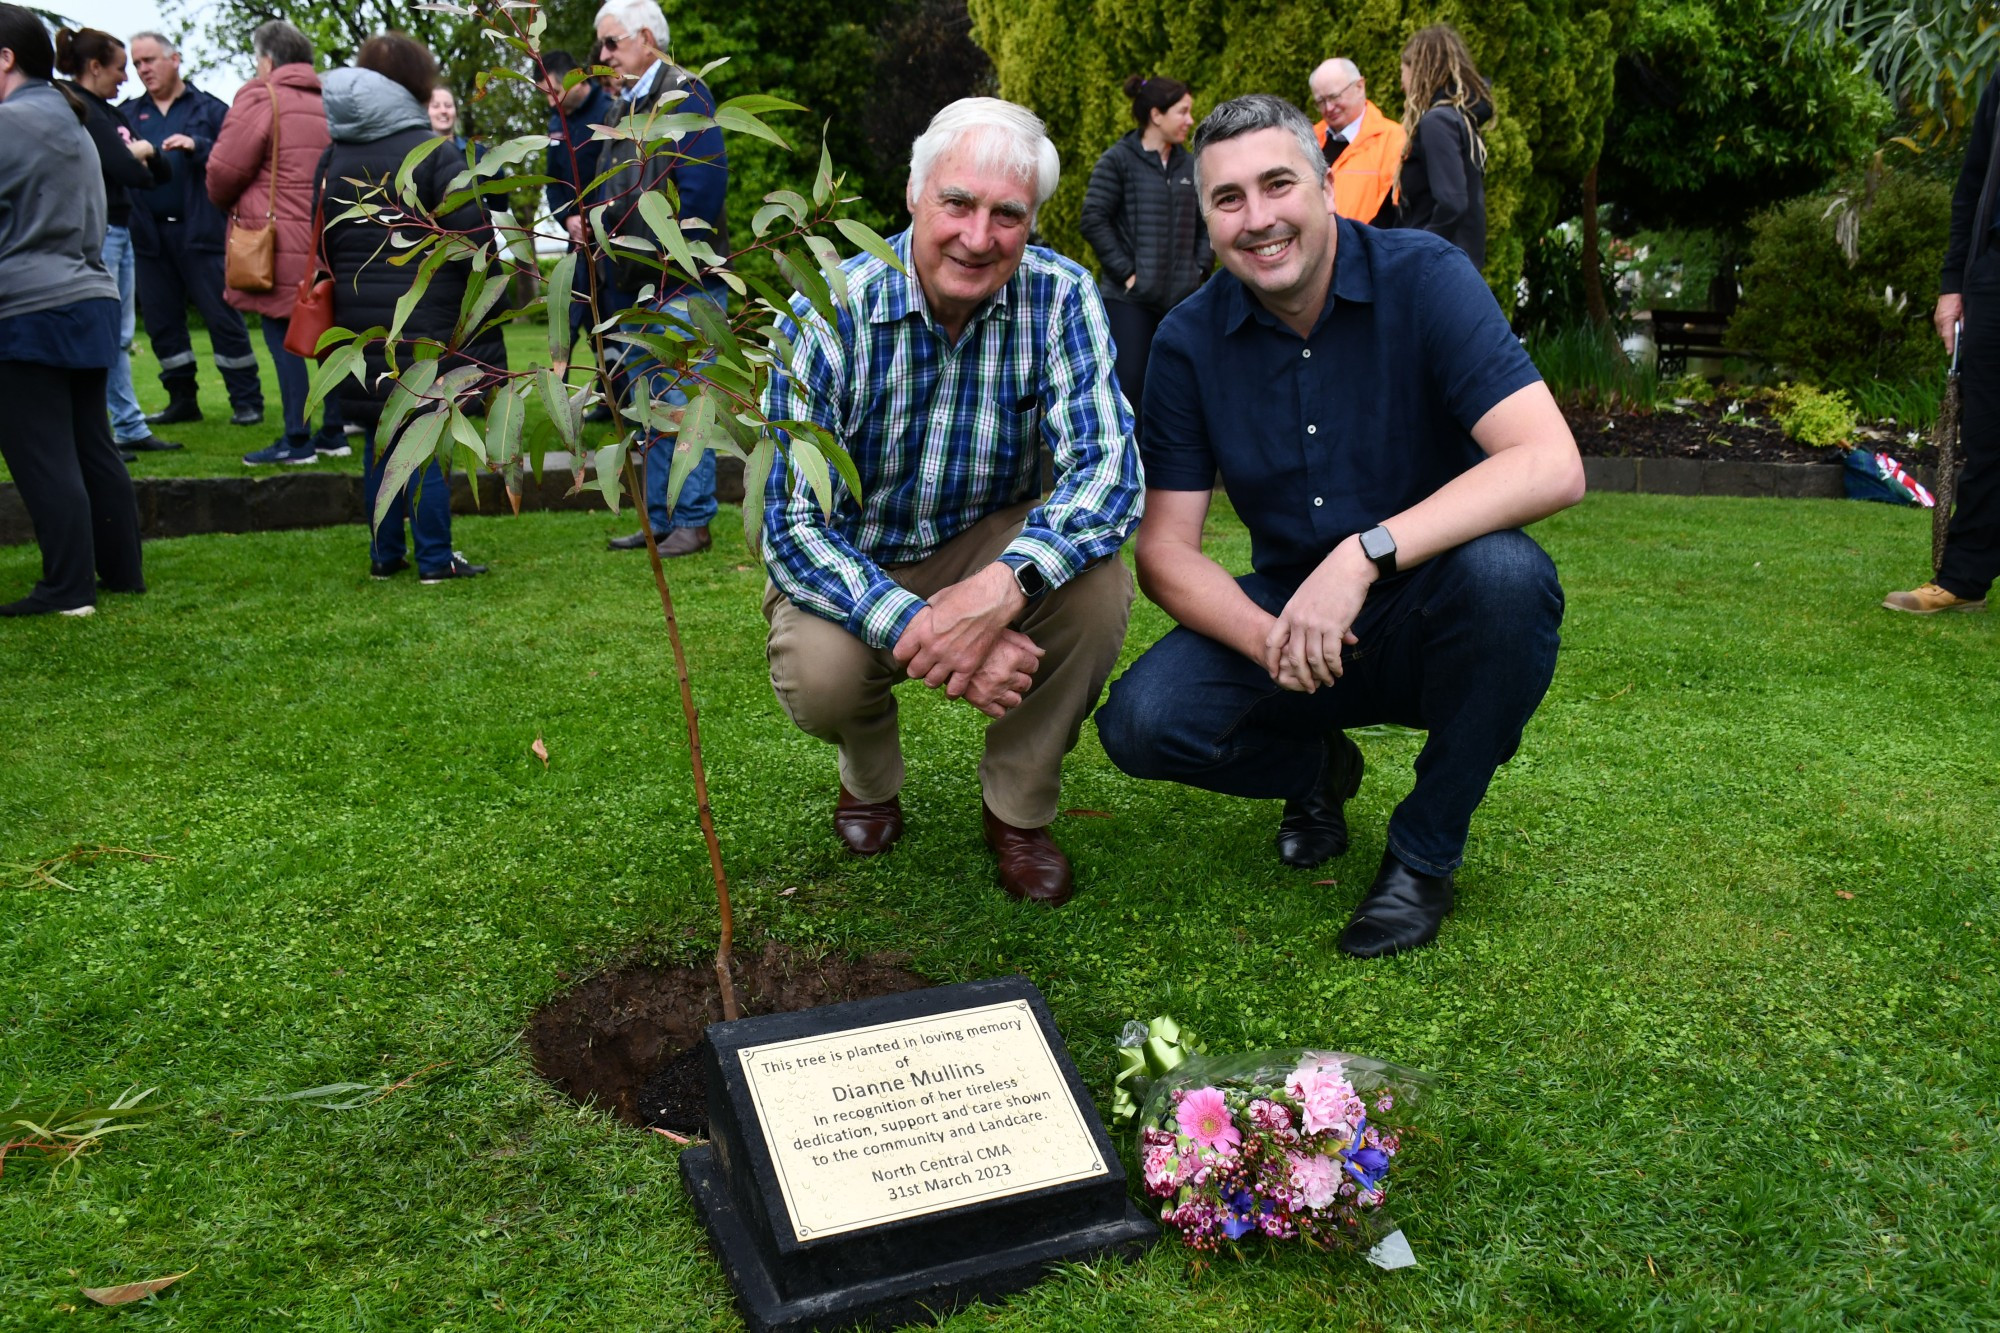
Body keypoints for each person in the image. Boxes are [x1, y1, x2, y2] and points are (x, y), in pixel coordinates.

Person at [1093, 95, 1584, 958]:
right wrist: (1265, 636)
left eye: (1279, 183)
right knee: (1142, 720)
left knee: (1510, 580)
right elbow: (1166, 550)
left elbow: (1549, 461)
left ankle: (1423, 854)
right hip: (1289, 618)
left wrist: (1364, 554)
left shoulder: (1425, 277)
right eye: (1229, 199)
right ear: (1203, 217)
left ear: (1326, 186)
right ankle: (1318, 769)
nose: (1259, 219)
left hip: (1434, 600)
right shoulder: (1188, 341)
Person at [760, 97, 1143, 907]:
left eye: (1008, 214)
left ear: (1033, 218)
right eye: (958, 203)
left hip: (983, 542)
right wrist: (925, 627)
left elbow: (1109, 472)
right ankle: (869, 773)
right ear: (912, 193)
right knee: (819, 674)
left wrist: (1001, 589)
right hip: (852, 551)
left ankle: (1018, 809)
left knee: (1098, 585)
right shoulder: (826, 309)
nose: (979, 236)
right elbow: (792, 525)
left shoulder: (1063, 298)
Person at [318, 34, 500, 584]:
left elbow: (320, 236)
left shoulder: (334, 153)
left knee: (381, 435)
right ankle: (434, 557)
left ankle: (384, 553)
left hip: (356, 322)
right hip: (425, 318)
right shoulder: (431, 151)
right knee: (422, 435)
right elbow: (476, 242)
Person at [0, 5, 144, 617]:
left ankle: (67, 588)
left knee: (42, 449)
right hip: (90, 297)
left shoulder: (11, 122)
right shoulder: (69, 116)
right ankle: (120, 571)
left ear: (4, 58)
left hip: (29, 304)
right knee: (91, 443)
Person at [592, 0, 730, 557]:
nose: (601, 56)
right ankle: (659, 521)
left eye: (610, 44)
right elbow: (614, 186)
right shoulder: (627, 104)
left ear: (646, 38)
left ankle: (692, 522)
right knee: (650, 410)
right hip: (638, 285)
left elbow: (700, 190)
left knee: (684, 407)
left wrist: (670, 261)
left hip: (681, 284)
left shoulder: (685, 94)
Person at [1886, 69, 2000, 613]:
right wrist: (1952, 286)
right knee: (1987, 437)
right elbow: (1972, 185)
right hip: (1995, 271)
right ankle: (1964, 579)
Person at [209, 20, 346, 467]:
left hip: (276, 240)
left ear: (267, 60)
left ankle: (297, 438)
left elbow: (224, 170)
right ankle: (333, 430)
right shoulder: (333, 100)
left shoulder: (260, 95)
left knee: (282, 334)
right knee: (328, 334)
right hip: (328, 236)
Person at [119, 30, 264, 427]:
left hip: (202, 233)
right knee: (162, 323)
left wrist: (197, 147)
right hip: (149, 236)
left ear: (175, 59)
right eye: (136, 64)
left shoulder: (211, 109)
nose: (143, 69)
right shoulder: (129, 115)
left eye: (149, 60)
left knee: (223, 317)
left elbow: (238, 161)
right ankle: (182, 399)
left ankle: (247, 400)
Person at [53, 26, 181, 460]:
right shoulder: (77, 107)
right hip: (98, 231)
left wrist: (147, 158)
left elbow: (156, 171)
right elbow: (130, 170)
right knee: (101, 331)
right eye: (120, 68)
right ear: (93, 67)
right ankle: (106, 430)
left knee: (120, 334)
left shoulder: (110, 114)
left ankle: (126, 426)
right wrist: (144, 155)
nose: (127, 78)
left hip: (121, 230)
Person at [1078, 74, 1208, 442]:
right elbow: (1093, 219)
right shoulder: (1118, 161)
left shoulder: (1192, 166)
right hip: (1129, 302)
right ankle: (1125, 478)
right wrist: (1127, 274)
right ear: (1156, 114)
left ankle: (1171, 480)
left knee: (1178, 394)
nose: (1189, 120)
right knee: (1129, 392)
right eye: (1182, 112)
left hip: (1180, 301)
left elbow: (1209, 221)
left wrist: (1198, 270)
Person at [1387, 24, 1492, 267]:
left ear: (1420, 71)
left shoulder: (1438, 122)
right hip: (1453, 264)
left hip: (1438, 270)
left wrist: (1418, 251)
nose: (1402, 85)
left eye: (1403, 73)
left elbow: (1452, 202)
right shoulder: (1459, 119)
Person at [539, 49, 617, 357]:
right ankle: (576, 391)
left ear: (575, 79)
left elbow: (619, 176)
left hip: (611, 241)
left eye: (554, 93)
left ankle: (615, 397)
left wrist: (596, 222)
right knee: (575, 318)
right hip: (577, 243)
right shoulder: (555, 123)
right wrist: (568, 221)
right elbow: (552, 182)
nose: (550, 102)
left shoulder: (611, 112)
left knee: (611, 322)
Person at [1307, 57, 1405, 225]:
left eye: (1335, 97)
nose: (1329, 108)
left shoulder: (1393, 139)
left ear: (1360, 87)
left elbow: (1395, 211)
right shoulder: (1308, 139)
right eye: (1321, 101)